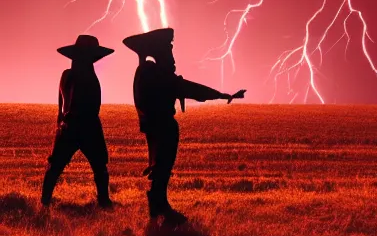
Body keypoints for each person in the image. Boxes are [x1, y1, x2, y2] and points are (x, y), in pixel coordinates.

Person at [123, 28, 246, 220]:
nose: (172, 56)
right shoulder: (154, 73)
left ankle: (158, 206)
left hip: (155, 126)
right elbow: (188, 88)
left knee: (160, 165)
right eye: (168, 50)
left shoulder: (147, 71)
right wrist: (223, 95)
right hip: (162, 127)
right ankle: (159, 204)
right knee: (162, 166)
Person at [41, 35, 114, 208]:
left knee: (55, 166)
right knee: (100, 167)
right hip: (87, 125)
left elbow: (61, 104)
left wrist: (60, 124)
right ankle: (104, 202)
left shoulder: (67, 75)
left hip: (68, 126)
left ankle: (44, 202)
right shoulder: (87, 76)